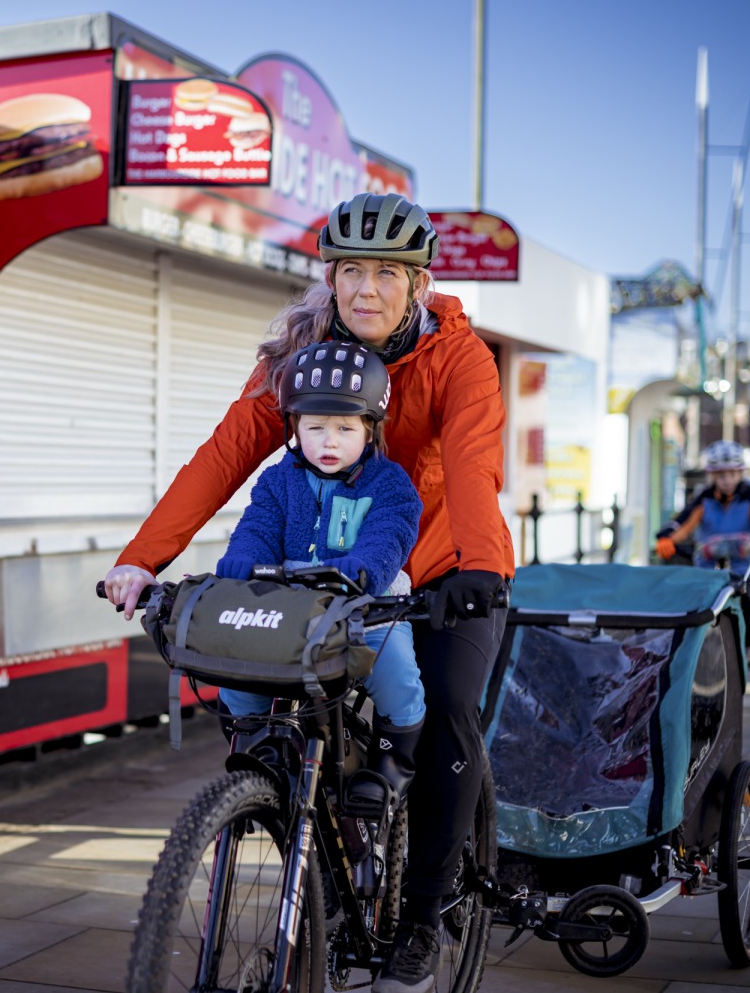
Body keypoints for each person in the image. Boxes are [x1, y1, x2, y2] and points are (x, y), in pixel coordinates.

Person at [105, 192, 513, 993]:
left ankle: (423, 919)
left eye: (386, 274)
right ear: (330, 278)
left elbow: (472, 470)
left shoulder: (459, 358)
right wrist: (141, 560)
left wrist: (482, 575)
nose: (366, 289)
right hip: (322, 582)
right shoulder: (307, 355)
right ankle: (308, 839)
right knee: (265, 694)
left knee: (449, 715)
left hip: (434, 575)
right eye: (350, 271)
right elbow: (223, 457)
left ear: (418, 283)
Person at [213, 340, 425, 817]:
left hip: (368, 610)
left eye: (345, 429)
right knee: (239, 664)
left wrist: (366, 566)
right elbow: (258, 529)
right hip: (291, 612)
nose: (330, 441)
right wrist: (242, 559)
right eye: (315, 428)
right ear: (294, 428)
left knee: (396, 672)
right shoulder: (277, 481)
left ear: (370, 431)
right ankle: (256, 745)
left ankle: (393, 764)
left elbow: (390, 534)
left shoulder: (389, 484)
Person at [655, 440, 750, 670]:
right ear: (712, 476)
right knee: (701, 600)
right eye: (721, 475)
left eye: (732, 474)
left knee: (743, 597)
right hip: (708, 562)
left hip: (742, 563)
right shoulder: (704, 498)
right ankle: (694, 646)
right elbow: (682, 522)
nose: (727, 480)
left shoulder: (749, 496)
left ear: (741, 473)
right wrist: (666, 537)